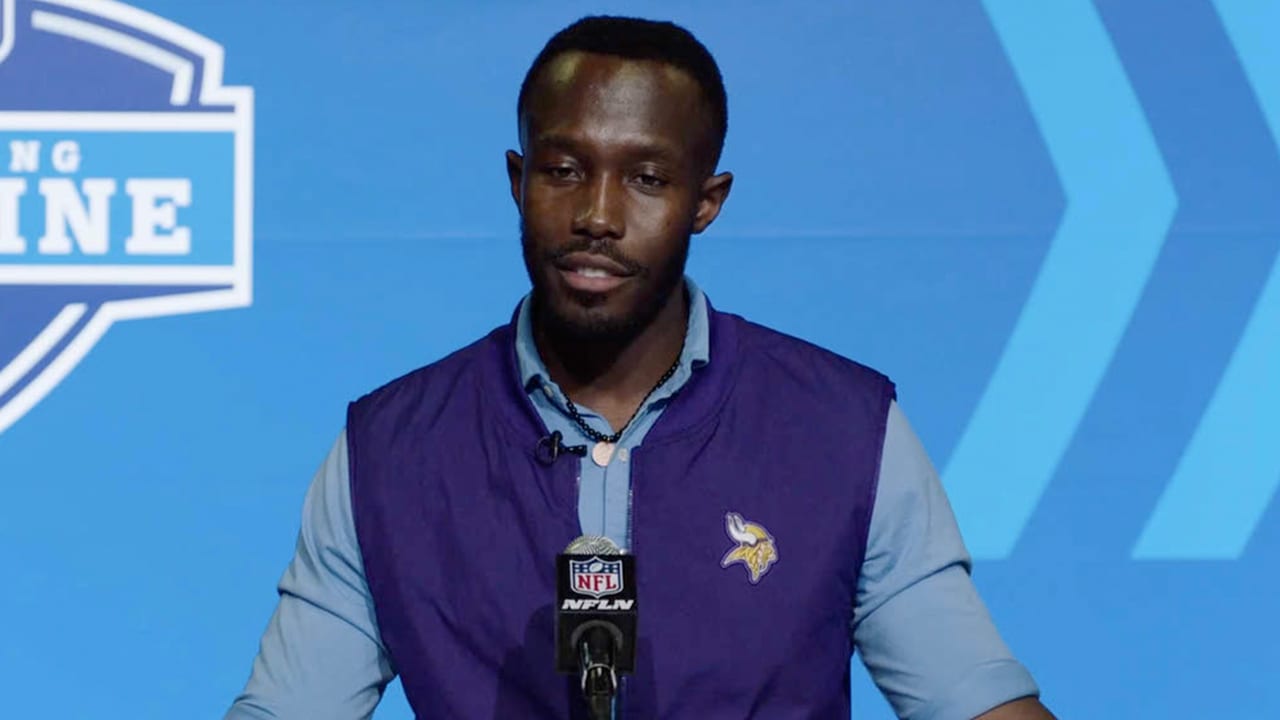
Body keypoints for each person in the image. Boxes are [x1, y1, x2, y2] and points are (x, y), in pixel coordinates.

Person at [226, 15, 1056, 720]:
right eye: (563, 171)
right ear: (518, 182)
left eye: (648, 179)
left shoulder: (843, 431)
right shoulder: (391, 451)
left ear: (707, 200)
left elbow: (974, 697)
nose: (597, 215)